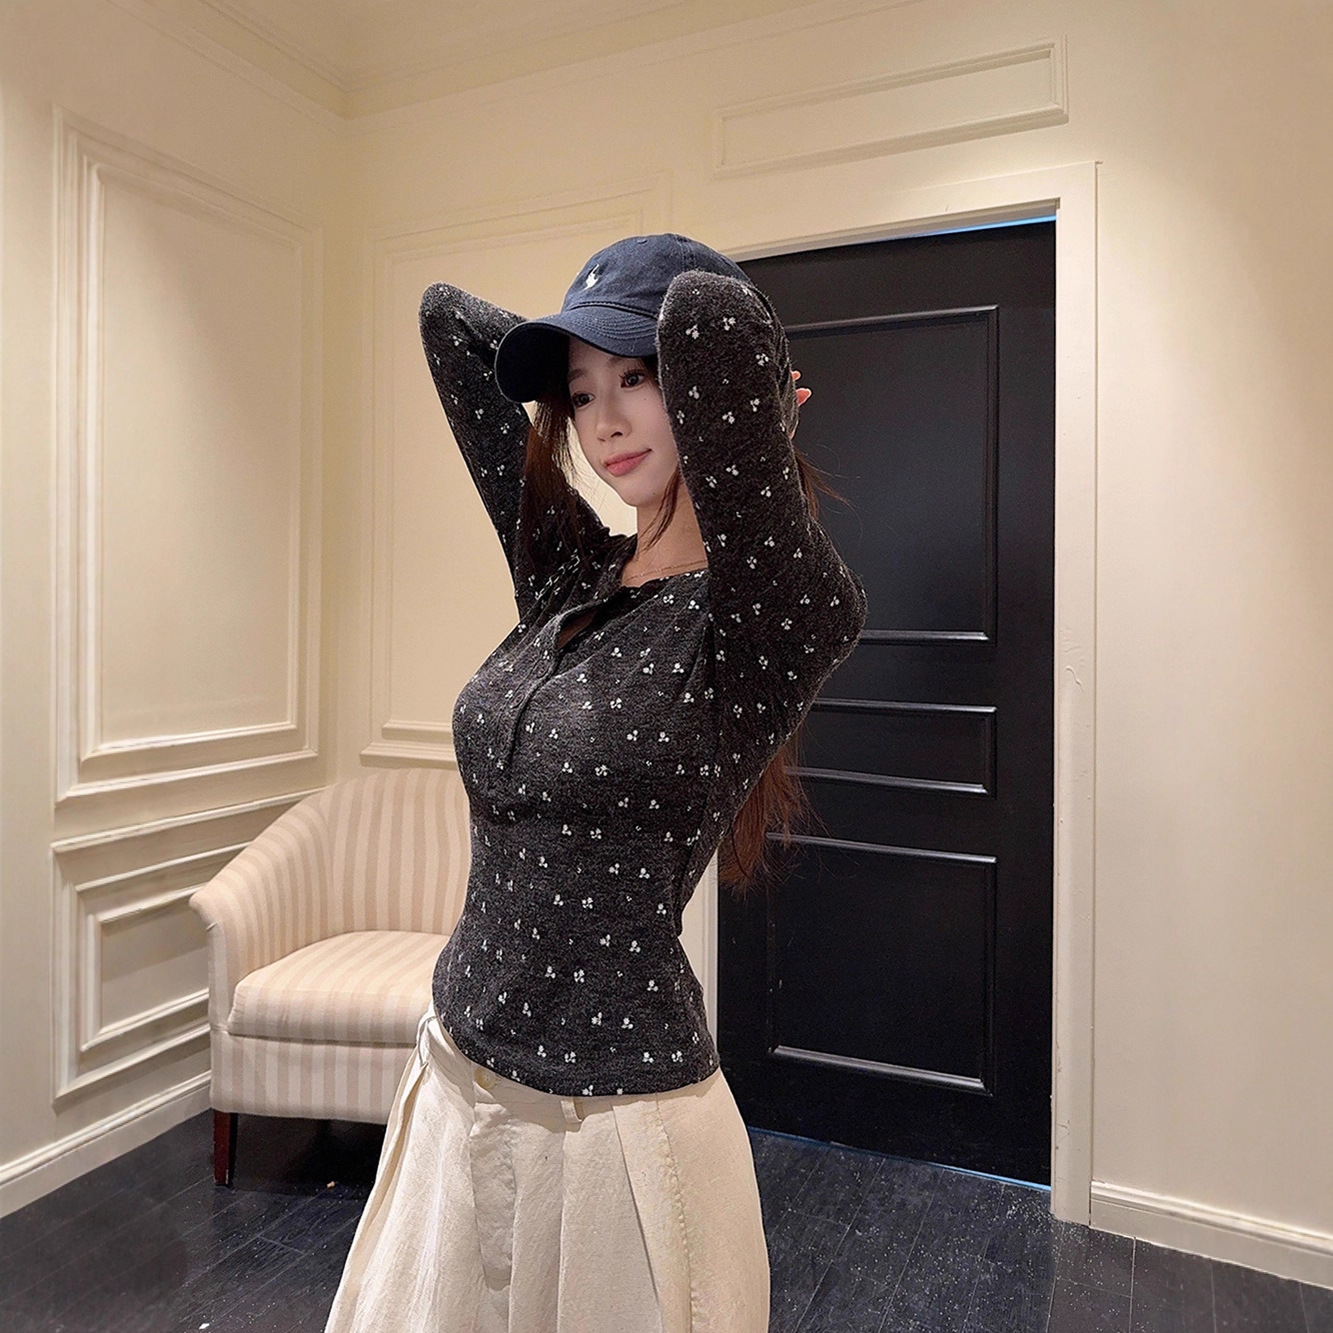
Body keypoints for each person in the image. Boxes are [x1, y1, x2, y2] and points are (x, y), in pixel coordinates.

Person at [324, 233, 867, 1333]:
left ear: (726, 399)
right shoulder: (569, 573)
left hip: (613, 1126)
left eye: (639, 379)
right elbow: (446, 322)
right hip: (457, 1071)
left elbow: (710, 313)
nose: (604, 422)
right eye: (579, 393)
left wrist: (749, 411)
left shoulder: (772, 621)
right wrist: (594, 340)